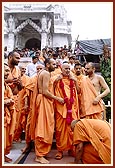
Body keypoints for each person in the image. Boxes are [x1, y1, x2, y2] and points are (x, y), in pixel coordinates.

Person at [30, 58, 64, 164]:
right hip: (44, 100)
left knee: (46, 126)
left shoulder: (44, 73)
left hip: (45, 101)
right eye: (53, 64)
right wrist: (57, 98)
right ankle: (39, 155)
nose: (55, 65)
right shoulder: (45, 74)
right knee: (43, 127)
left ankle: (42, 152)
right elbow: (44, 91)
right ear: (48, 64)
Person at [54, 62, 80, 160]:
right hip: (61, 107)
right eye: (65, 68)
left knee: (72, 129)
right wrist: (56, 82)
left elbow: (78, 91)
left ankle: (71, 149)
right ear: (61, 69)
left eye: (69, 68)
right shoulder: (56, 79)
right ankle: (60, 150)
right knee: (60, 130)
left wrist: (75, 81)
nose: (67, 70)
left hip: (72, 107)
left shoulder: (73, 79)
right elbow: (51, 92)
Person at [5, 51, 23, 142]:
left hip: (14, 99)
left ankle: (7, 149)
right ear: (10, 57)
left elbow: (20, 88)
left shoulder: (18, 70)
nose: (19, 60)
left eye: (19, 58)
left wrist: (19, 83)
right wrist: (9, 81)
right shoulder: (3, 67)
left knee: (13, 125)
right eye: (17, 58)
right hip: (4, 100)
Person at [4, 63, 16, 163]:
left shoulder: (6, 85)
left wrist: (10, 100)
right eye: (6, 71)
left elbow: (11, 97)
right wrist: (5, 101)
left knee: (6, 136)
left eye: (8, 71)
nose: (8, 73)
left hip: (6, 114)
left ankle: (3, 155)